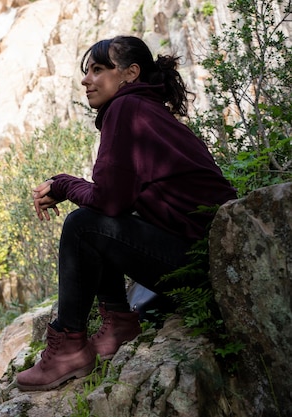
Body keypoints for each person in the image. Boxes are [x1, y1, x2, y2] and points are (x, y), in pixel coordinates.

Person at [15, 35, 238, 391]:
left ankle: (69, 349)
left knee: (82, 226)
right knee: (96, 225)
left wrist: (62, 184)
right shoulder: (146, 110)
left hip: (198, 266)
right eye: (87, 72)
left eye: (99, 70)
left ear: (130, 73)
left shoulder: (127, 110)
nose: (87, 80)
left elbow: (108, 203)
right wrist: (67, 187)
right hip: (208, 258)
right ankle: (118, 322)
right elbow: (116, 202)